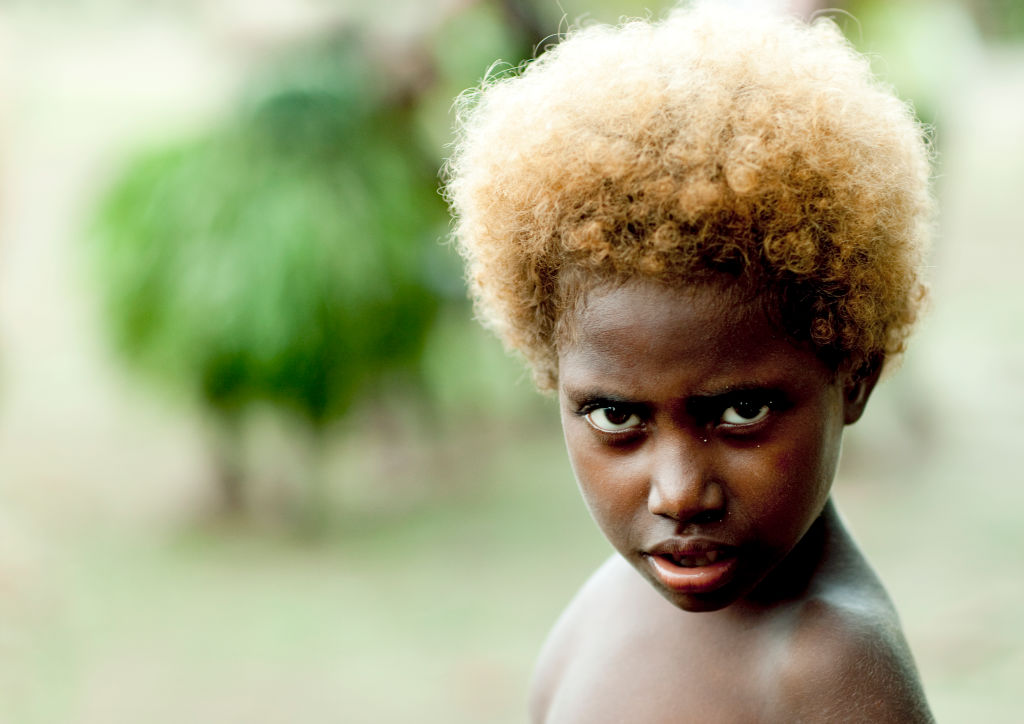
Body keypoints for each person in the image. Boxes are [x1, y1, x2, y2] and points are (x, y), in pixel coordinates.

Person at [444, 2, 934, 721]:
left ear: (853, 374)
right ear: (551, 373)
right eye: (617, 416)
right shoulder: (599, 611)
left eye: (741, 412)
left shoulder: (829, 669)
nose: (678, 494)